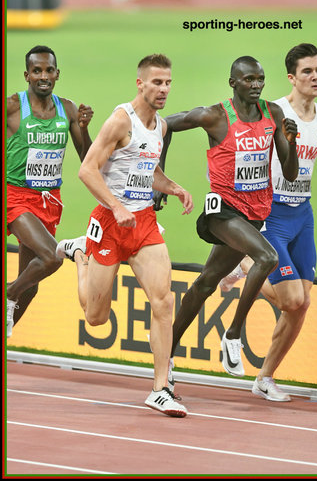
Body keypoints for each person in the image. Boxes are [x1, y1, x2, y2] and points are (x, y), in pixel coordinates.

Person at [55, 54, 193, 418]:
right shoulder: (120, 120)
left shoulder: (161, 127)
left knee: (163, 302)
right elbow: (87, 171)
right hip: (110, 225)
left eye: (168, 83)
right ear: (140, 84)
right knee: (96, 317)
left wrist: (173, 187)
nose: (163, 89)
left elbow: (148, 170)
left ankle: (160, 389)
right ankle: (82, 256)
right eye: (157, 83)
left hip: (144, 224)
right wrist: (116, 207)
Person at [219, 43, 317, 401]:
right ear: (292, 78)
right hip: (272, 213)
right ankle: (247, 260)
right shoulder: (273, 112)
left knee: (302, 304)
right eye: (308, 72)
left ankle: (265, 378)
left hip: (302, 215)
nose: (316, 77)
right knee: (290, 297)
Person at [159, 56, 299, 390]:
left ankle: (165, 353)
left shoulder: (273, 114)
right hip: (221, 211)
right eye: (248, 79)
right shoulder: (215, 116)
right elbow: (163, 126)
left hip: (254, 214)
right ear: (233, 83)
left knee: (206, 282)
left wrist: (291, 144)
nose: (256, 85)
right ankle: (232, 335)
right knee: (267, 257)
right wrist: (158, 177)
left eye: (260, 79)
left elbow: (290, 173)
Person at [6, 45, 94, 338]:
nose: (43, 76)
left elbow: (87, 158)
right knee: (52, 258)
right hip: (16, 197)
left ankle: (14, 295)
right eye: (37, 71)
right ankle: (8, 294)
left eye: (49, 70)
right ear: (26, 75)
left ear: (57, 73)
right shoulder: (13, 107)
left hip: (48, 201)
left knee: (29, 289)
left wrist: (84, 127)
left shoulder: (67, 109)